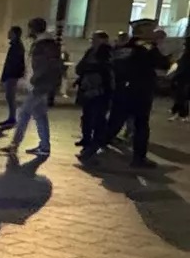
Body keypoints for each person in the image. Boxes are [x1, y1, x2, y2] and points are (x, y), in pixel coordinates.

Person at [94, 19, 170, 168]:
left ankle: (91, 149)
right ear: (142, 31)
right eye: (150, 29)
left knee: (114, 123)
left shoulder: (125, 47)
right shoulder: (147, 47)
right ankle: (139, 159)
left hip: (122, 90)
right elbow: (163, 63)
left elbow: (115, 65)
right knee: (141, 124)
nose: (153, 32)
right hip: (140, 92)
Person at [4, 18, 61, 157]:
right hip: (40, 84)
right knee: (40, 115)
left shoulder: (44, 45)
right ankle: (44, 146)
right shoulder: (45, 43)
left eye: (30, 28)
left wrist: (34, 79)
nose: (28, 31)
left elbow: (43, 66)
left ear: (34, 29)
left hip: (40, 85)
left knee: (24, 113)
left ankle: (14, 145)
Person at [75, 30, 115, 162]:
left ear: (103, 40)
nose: (92, 41)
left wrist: (89, 68)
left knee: (97, 118)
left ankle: (95, 144)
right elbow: (80, 67)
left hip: (100, 91)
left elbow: (105, 70)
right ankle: (87, 139)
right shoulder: (90, 51)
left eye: (95, 38)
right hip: (88, 88)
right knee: (87, 116)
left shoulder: (107, 52)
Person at [0, 25, 25, 128]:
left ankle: (12, 118)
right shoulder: (16, 46)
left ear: (14, 34)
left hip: (11, 76)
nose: (8, 34)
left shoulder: (16, 47)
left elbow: (13, 64)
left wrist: (6, 76)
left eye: (10, 32)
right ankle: (11, 117)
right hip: (12, 75)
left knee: (11, 97)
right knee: (10, 97)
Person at [170, 37, 190, 121]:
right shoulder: (186, 54)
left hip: (184, 78)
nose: (184, 45)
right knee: (181, 97)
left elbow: (183, 67)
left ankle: (182, 114)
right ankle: (179, 113)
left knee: (182, 97)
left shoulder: (187, 54)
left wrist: (174, 77)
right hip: (183, 78)